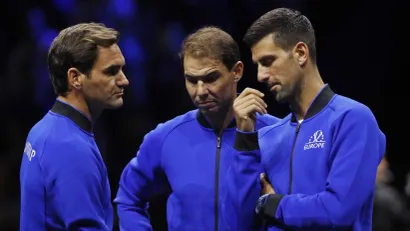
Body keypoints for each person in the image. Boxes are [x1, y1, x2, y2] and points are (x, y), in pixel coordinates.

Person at [225, 8, 386, 231]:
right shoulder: (266, 135)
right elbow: (236, 224)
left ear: (300, 53)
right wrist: (244, 139)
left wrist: (271, 203)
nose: (261, 75)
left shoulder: (352, 119)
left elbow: (337, 212)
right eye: (258, 65)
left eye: (268, 61)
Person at [114, 26, 280, 231]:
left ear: (236, 71)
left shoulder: (277, 134)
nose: (200, 91)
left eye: (211, 78)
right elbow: (128, 197)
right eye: (192, 80)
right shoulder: (166, 137)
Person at [19, 22, 129, 231]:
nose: (124, 81)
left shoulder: (44, 129)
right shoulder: (70, 147)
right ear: (75, 78)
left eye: (122, 69)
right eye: (111, 71)